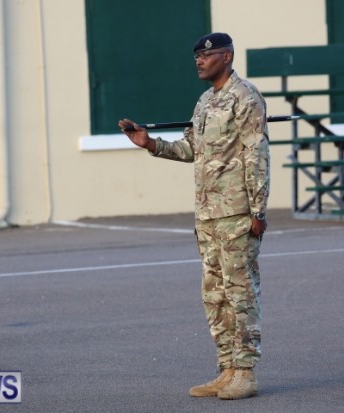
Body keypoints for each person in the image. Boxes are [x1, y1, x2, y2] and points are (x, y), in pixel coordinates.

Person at [118, 32, 269, 400]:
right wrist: (150, 143)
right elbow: (192, 149)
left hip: (236, 212)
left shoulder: (245, 97)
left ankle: (245, 373)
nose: (199, 61)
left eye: (207, 55)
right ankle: (227, 368)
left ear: (227, 57)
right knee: (215, 295)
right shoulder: (205, 101)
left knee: (241, 293)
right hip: (208, 214)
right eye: (197, 57)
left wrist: (258, 210)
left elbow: (257, 154)